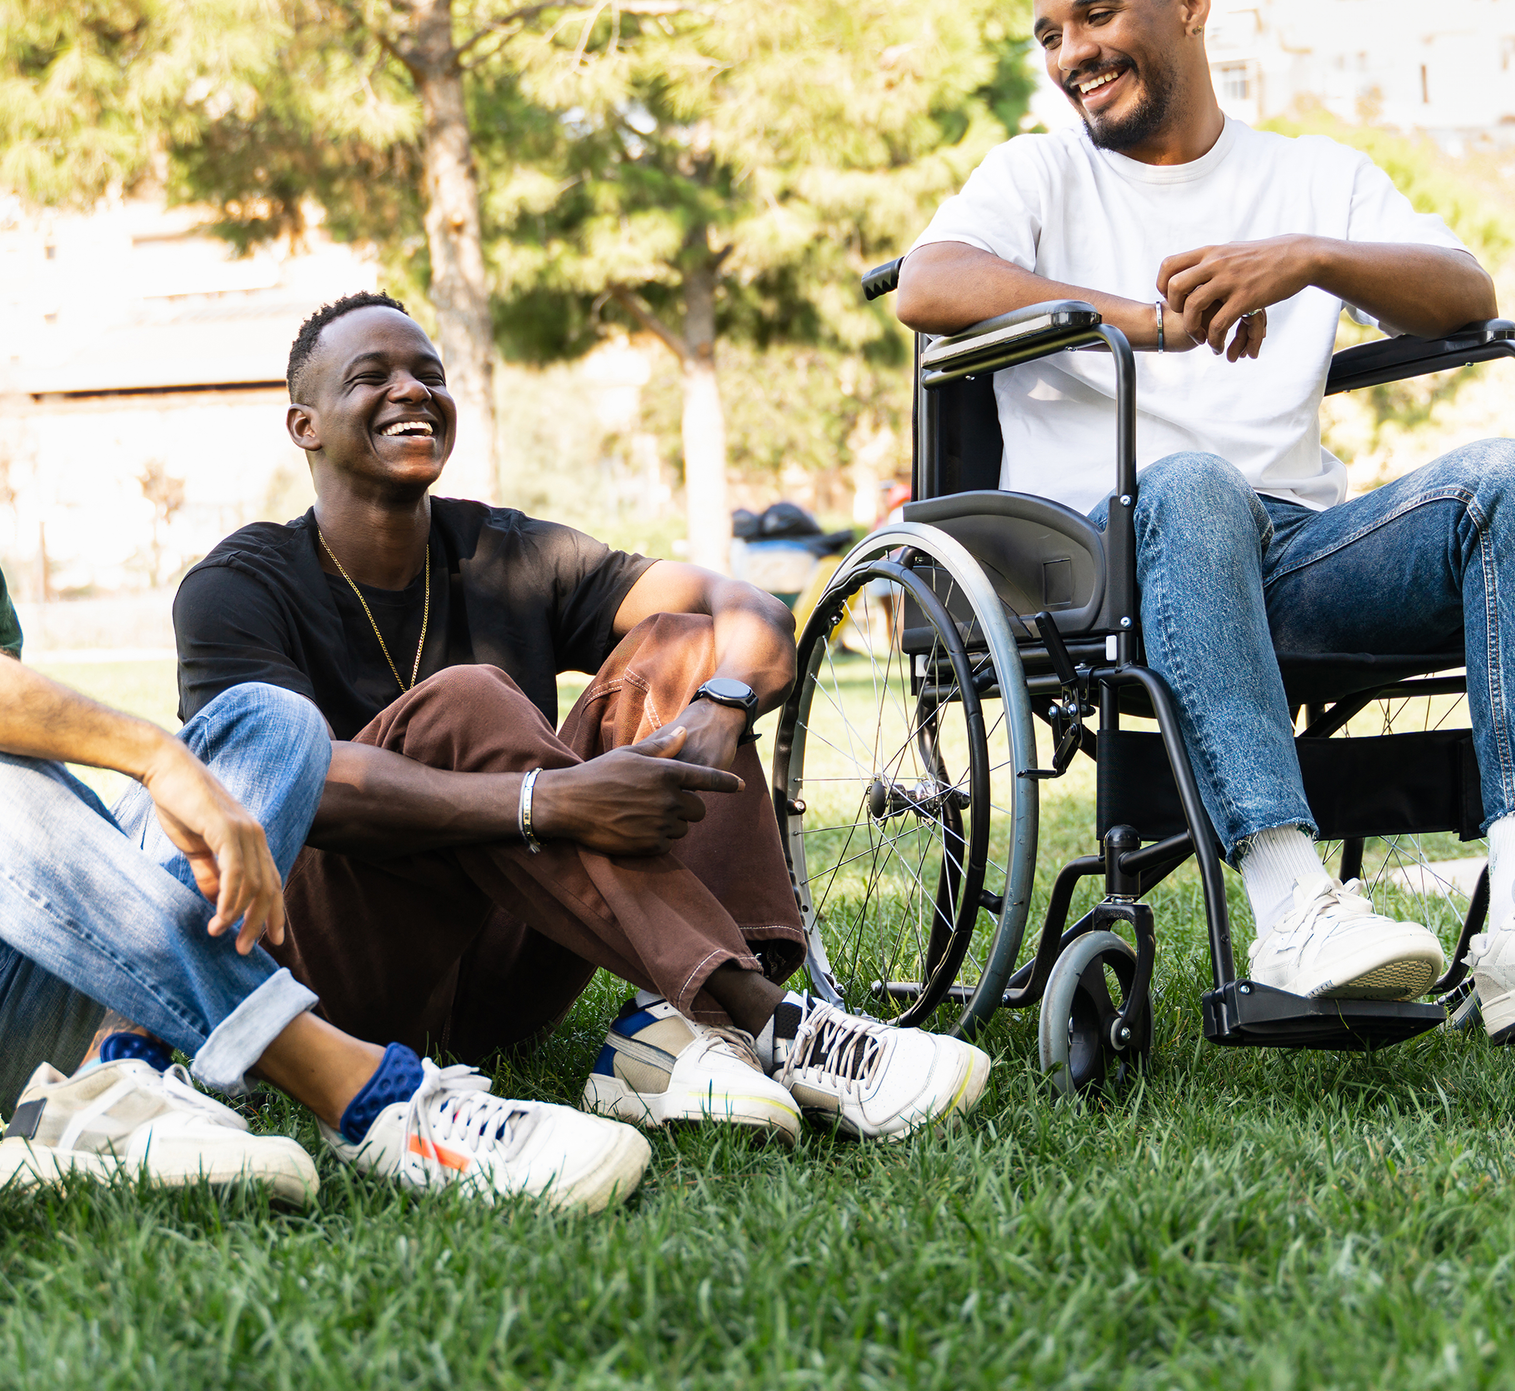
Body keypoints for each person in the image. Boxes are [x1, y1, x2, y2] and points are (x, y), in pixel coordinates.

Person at [0, 209, 650, 1213]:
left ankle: (108, 1081)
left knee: (265, 725)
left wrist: (183, 768)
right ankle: (374, 1096)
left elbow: (10, 810)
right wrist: (151, 753)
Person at [893, 0, 1515, 1037]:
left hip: (1295, 547)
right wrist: (1141, 318)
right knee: (1189, 482)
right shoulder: (1036, 176)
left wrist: (1309, 258)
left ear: (1189, 5)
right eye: (1049, 36)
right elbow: (928, 284)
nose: (1071, 55)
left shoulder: (1310, 176)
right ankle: (1292, 910)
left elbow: (1468, 295)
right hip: (1110, 554)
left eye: (1094, 16)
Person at [173, 294, 991, 1144]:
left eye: (429, 374)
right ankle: (768, 1018)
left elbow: (740, 604)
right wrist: (549, 801)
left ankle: (681, 1033)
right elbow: (300, 788)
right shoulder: (235, 587)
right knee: (470, 699)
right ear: (304, 425)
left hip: (500, 978)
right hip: (332, 979)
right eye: (371, 376)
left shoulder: (505, 549)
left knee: (683, 645)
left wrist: (723, 702)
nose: (412, 391)